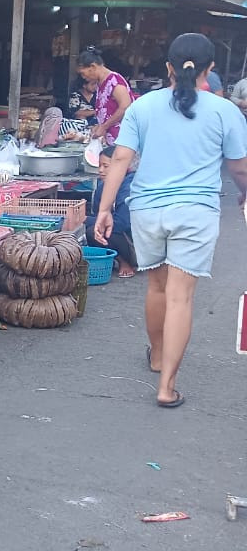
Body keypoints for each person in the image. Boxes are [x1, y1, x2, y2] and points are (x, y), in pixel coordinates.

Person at [94, 33, 247, 409]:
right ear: (210, 70)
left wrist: (104, 209)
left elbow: (120, 159)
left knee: (157, 288)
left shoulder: (143, 107)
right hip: (195, 213)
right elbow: (239, 167)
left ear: (168, 67)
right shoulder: (226, 111)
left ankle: (158, 354)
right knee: (181, 298)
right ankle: (166, 387)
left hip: (147, 210)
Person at [85, 146, 137, 278]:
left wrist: (83, 218)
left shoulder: (130, 186)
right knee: (92, 231)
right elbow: (98, 217)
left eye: (106, 166)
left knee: (92, 229)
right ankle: (110, 259)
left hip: (136, 240)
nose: (100, 170)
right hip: (119, 234)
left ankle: (125, 261)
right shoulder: (102, 189)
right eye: (99, 166)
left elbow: (122, 224)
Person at [77, 47, 135, 145]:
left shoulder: (114, 81)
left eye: (83, 73)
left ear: (93, 67)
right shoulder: (100, 83)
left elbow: (125, 106)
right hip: (110, 140)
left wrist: (104, 126)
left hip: (122, 139)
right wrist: (99, 126)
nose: (83, 77)